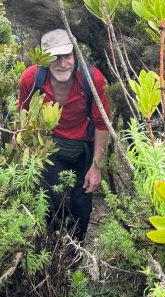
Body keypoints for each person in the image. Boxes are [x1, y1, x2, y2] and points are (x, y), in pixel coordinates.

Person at [18, 29, 110, 240]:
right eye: (55, 57)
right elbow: (24, 119)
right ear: (44, 58)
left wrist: (95, 167)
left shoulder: (92, 79)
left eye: (67, 56)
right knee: (51, 202)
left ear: (75, 54)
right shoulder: (31, 79)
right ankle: (51, 248)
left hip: (82, 148)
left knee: (81, 206)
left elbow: (102, 125)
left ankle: (75, 250)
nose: (62, 63)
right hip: (48, 146)